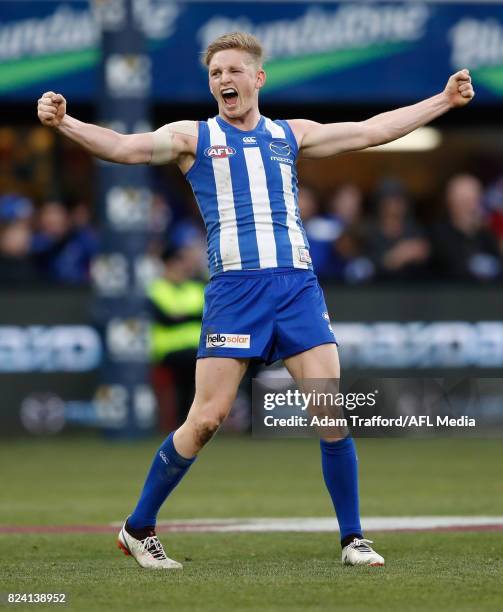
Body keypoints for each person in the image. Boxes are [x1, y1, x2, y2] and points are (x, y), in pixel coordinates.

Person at [37, 31, 474, 569]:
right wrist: (67, 124)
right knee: (206, 420)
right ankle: (137, 527)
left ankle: (352, 538)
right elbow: (125, 148)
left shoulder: (289, 135)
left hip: (296, 288)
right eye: (216, 72)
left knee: (331, 412)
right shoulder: (191, 138)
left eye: (234, 70)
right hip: (235, 293)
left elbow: (371, 131)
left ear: (258, 78)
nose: (224, 79)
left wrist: (445, 100)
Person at [148, 243, 205, 428]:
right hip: (169, 351)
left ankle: (192, 423)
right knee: (186, 377)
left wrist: (182, 315)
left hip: (198, 350)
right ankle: (184, 424)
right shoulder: (156, 289)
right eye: (178, 262)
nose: (182, 267)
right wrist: (191, 315)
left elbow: (206, 316)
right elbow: (165, 319)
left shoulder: (195, 288)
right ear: (167, 264)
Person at [432, 174, 502, 281]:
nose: (471, 206)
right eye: (464, 201)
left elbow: (497, 268)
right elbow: (449, 268)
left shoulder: (486, 235)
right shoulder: (437, 235)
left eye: (474, 200)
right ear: (451, 202)